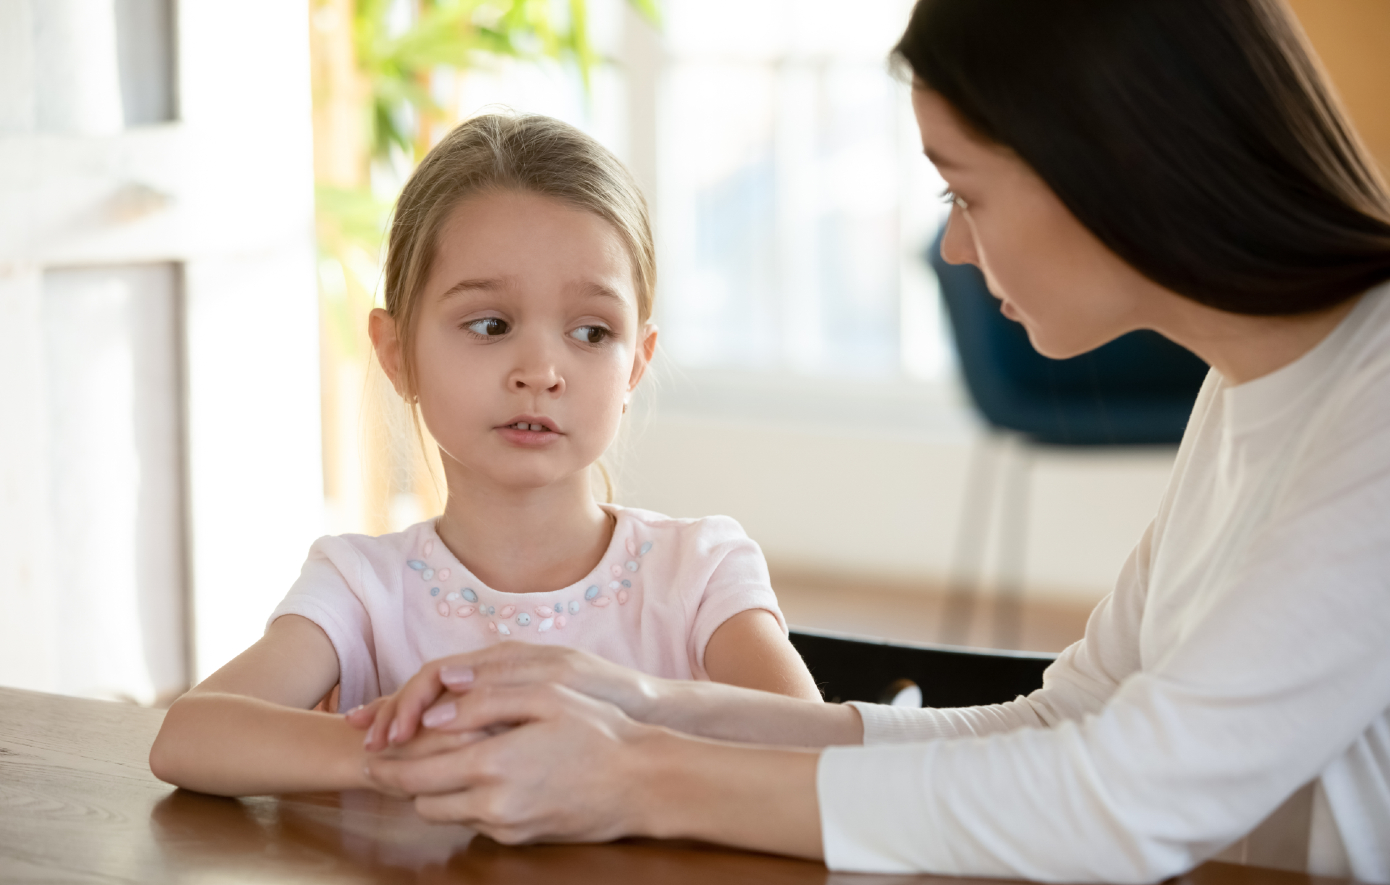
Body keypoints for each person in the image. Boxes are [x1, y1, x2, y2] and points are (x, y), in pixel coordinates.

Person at [350, 1, 1390, 882]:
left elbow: (1121, 798)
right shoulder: (1253, 384)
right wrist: (654, 708)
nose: (953, 242)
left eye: (962, 189)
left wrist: (634, 776)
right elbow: (1063, 720)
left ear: (1109, 162)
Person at [147, 113, 821, 798]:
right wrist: (402, 756)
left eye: (591, 331)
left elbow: (818, 750)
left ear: (636, 367)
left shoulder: (700, 573)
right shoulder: (362, 587)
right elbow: (189, 736)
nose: (541, 370)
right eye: (491, 324)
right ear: (396, 352)